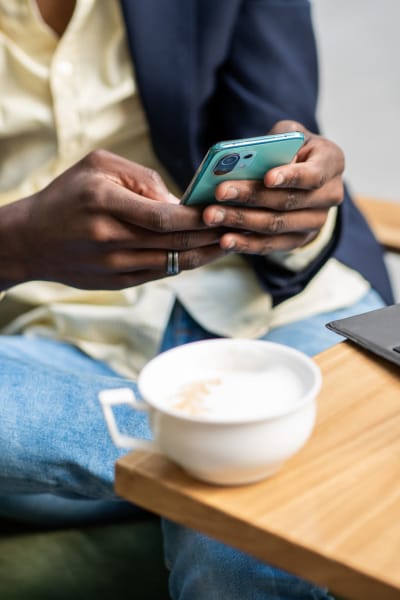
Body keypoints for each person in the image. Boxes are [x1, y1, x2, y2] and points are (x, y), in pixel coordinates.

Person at [0, 0, 393, 598]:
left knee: (240, 546)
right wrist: (20, 242)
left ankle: (196, 445)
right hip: (50, 353)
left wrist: (297, 205)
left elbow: (281, 132)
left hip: (271, 305)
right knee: (260, 507)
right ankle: (238, 441)